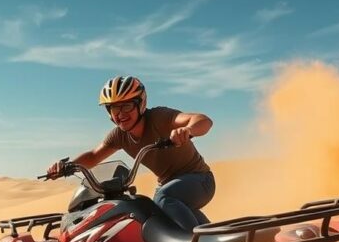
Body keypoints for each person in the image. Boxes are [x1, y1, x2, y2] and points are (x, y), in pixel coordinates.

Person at [47, 75, 215, 230]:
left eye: (126, 106)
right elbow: (93, 156)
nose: (121, 114)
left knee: (163, 198)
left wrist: (187, 130)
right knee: (154, 209)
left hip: (200, 180)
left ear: (140, 103)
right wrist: (65, 167)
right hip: (170, 186)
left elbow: (203, 120)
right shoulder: (119, 135)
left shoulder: (159, 117)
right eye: (114, 109)